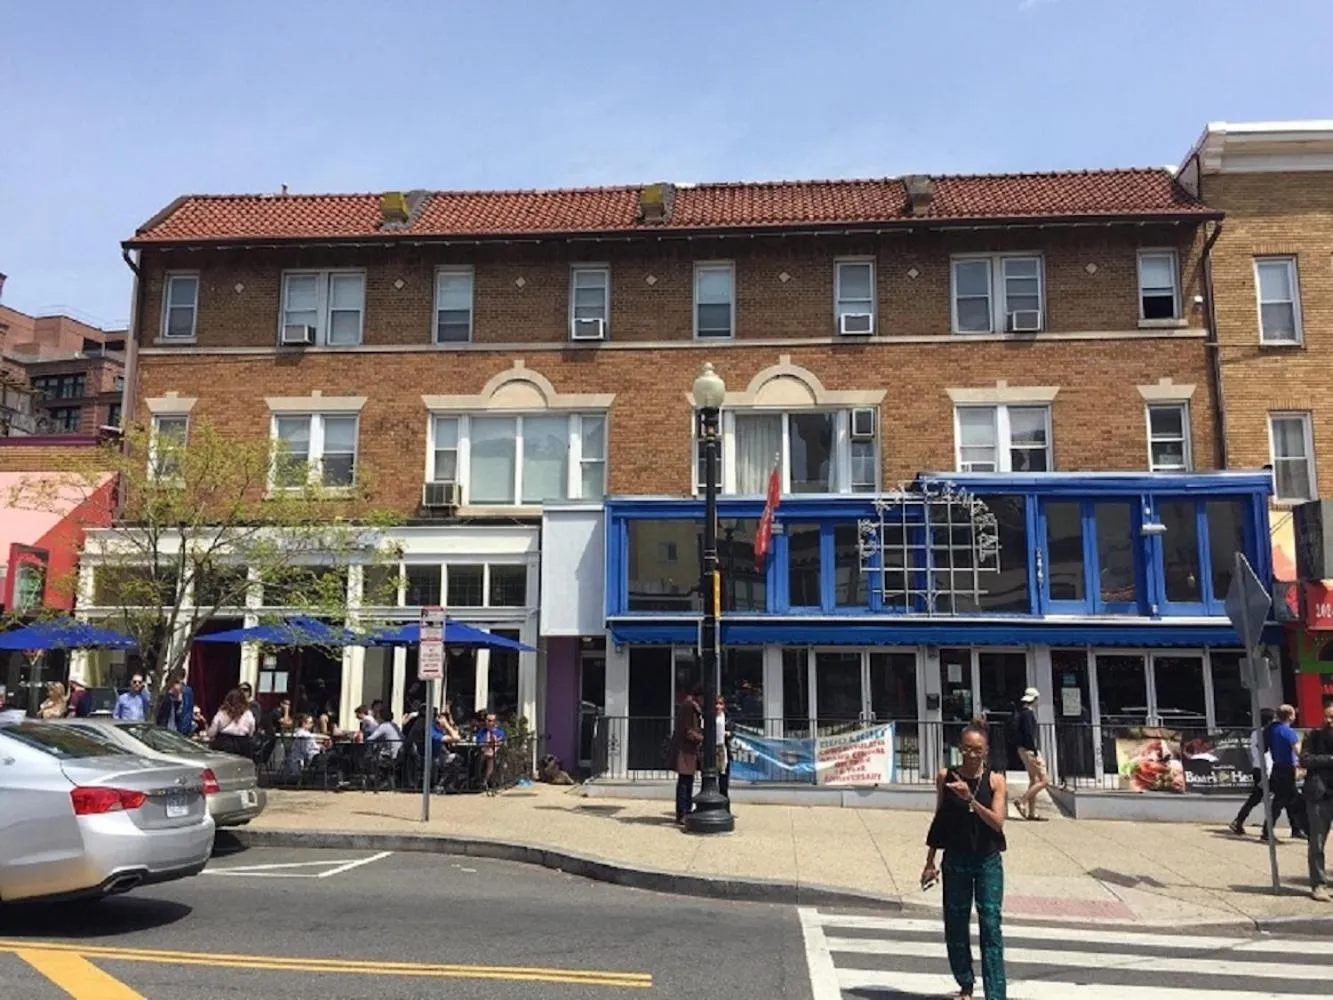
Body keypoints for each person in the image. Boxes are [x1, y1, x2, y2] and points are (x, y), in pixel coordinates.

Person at [922, 718, 1008, 1000]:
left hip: (986, 860)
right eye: (967, 749)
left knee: (990, 924)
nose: (972, 755)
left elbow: (997, 822)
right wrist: (930, 861)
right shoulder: (945, 776)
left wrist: (971, 799)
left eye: (978, 749)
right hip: (956, 857)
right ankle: (966, 984)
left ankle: (995, 993)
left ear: (986, 751)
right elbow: (940, 818)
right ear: (960, 748)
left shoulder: (996, 780)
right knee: (956, 922)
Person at [1301, 702, 1333, 902]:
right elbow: (1305, 759)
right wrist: (1330, 759)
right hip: (1320, 796)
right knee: (1317, 843)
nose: (1329, 721)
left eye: (1332, 718)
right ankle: (1318, 884)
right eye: (1327, 717)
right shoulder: (1313, 736)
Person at [1229, 707, 1276, 837]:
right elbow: (1265, 755)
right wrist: (1267, 774)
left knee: (1256, 798)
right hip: (1265, 770)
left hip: (1258, 768)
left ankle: (1239, 821)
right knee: (1263, 798)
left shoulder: (1255, 733)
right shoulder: (1266, 734)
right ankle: (1239, 821)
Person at [1263, 704, 1305, 843]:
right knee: (1281, 801)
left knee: (1290, 799)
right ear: (1291, 716)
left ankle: (1296, 828)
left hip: (1277, 767)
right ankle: (1266, 831)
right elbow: (1299, 752)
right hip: (1287, 768)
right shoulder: (1288, 732)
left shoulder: (1271, 730)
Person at [1010, 688, 1048, 821]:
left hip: (1022, 749)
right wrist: (1035, 751)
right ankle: (1022, 801)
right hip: (1029, 749)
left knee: (1034, 780)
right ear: (1035, 699)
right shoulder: (1028, 714)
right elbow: (1029, 734)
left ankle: (1032, 813)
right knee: (1044, 780)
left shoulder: (1020, 713)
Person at [668, 686, 704, 826]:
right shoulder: (689, 706)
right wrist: (701, 738)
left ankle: (686, 809)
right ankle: (682, 812)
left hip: (690, 749)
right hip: (685, 749)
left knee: (687, 781)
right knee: (684, 781)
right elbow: (686, 729)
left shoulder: (692, 706)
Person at [207, 687, 257, 757]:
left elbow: (212, 732)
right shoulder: (248, 713)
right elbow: (252, 730)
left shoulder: (222, 713)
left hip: (223, 743)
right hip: (242, 744)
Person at [155, 671, 195, 736]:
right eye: (176, 682)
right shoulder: (166, 698)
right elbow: (162, 719)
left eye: (180, 683)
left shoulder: (186, 694)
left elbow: (186, 717)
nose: (178, 686)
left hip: (178, 733)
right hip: (167, 732)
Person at [474, 711, 506, 792]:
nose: (487, 722)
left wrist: (493, 743)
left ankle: (485, 780)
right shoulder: (482, 731)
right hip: (483, 751)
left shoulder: (499, 732)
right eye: (487, 720)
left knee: (491, 758)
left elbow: (500, 743)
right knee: (481, 756)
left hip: (494, 752)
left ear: (495, 722)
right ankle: (478, 779)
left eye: (490, 720)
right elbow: (478, 741)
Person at [714, 694, 733, 800]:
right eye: (716, 704)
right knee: (710, 779)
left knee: (723, 780)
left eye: (720, 704)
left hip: (723, 749)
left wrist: (728, 733)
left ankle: (725, 805)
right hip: (712, 750)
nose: (718, 706)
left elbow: (732, 730)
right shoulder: (709, 717)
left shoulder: (726, 717)